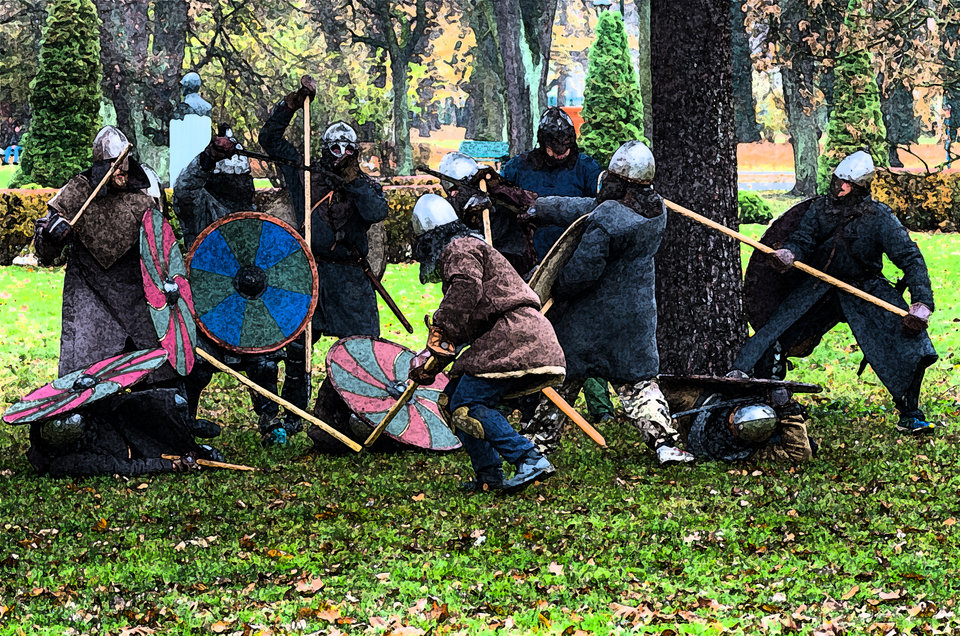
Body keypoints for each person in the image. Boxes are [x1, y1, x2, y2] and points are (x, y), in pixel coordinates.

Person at [731, 150, 938, 435]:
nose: (838, 187)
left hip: (864, 287)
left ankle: (909, 413)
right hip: (819, 288)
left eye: (846, 183)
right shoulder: (819, 210)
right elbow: (803, 238)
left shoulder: (879, 217)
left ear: (860, 187)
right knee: (774, 334)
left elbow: (910, 258)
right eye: (837, 180)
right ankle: (774, 398)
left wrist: (922, 303)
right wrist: (790, 253)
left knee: (912, 346)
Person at [522, 141, 694, 465]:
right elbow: (589, 208)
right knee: (640, 384)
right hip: (637, 318)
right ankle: (666, 443)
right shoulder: (657, 210)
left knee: (563, 378)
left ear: (618, 180)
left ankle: (537, 445)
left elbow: (581, 273)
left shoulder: (608, 219)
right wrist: (541, 207)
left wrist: (553, 283)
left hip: (591, 321)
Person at [259, 75, 388, 448]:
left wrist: (354, 182)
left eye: (347, 150)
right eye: (334, 148)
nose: (340, 154)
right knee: (297, 349)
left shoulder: (365, 184)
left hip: (351, 278)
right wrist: (295, 101)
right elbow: (269, 140)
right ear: (323, 148)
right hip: (308, 272)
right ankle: (293, 415)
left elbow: (376, 212)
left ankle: (357, 411)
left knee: (361, 349)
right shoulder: (304, 175)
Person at [408, 193, 566, 492]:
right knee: (451, 400)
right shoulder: (468, 248)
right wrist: (432, 360)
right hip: (507, 337)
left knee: (469, 404)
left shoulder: (460, 247)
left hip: (513, 337)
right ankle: (489, 476)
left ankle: (529, 458)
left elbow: (466, 290)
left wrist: (441, 327)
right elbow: (466, 321)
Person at [34, 126, 176, 384]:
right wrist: (52, 235)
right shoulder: (78, 190)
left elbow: (162, 240)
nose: (121, 169)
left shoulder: (146, 189)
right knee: (86, 370)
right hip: (90, 286)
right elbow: (45, 250)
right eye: (113, 163)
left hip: (137, 288)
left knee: (157, 367)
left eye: (124, 161)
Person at [173, 128, 285, 444]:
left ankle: (270, 422)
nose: (240, 188)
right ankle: (184, 421)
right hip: (208, 304)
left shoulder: (252, 214)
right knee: (197, 366)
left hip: (248, 305)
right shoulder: (201, 206)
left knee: (263, 363)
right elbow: (184, 188)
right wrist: (209, 157)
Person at [501, 107, 613, 424]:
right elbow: (499, 195)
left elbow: (603, 205)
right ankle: (522, 399)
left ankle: (600, 408)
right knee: (527, 335)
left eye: (565, 142)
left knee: (585, 334)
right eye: (554, 143)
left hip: (577, 265)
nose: (560, 150)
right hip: (530, 265)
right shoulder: (519, 167)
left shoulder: (586, 167)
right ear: (543, 141)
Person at [27, 389, 220, 477]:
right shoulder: (67, 463)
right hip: (135, 449)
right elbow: (124, 467)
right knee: (173, 446)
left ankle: (190, 424)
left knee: (155, 403)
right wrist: (171, 465)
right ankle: (200, 449)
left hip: (120, 422)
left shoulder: (61, 417)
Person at [436, 151, 537, 276]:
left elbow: (531, 203)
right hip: (481, 274)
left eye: (457, 189)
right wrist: (469, 217)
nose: (454, 194)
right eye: (452, 191)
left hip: (519, 268)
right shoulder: (452, 210)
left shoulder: (500, 194)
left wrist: (498, 187)